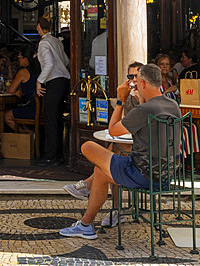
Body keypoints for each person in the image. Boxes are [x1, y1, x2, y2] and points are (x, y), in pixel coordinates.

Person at [59, 63, 181, 239]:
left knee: (88, 147)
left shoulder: (146, 109)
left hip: (143, 173)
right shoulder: (172, 105)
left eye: (137, 82)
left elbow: (113, 130)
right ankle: (86, 223)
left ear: (143, 84)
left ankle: (86, 204)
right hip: (166, 174)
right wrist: (141, 100)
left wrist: (121, 100)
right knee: (100, 172)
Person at [63, 61, 144, 203]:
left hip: (145, 157)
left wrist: (130, 100)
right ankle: (113, 210)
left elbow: (121, 128)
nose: (133, 80)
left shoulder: (149, 99)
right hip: (134, 146)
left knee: (110, 158)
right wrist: (122, 100)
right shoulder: (130, 98)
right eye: (130, 77)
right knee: (113, 156)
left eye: (136, 76)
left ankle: (89, 187)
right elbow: (120, 127)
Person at [35, 17, 70, 166]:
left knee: (50, 120)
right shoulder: (56, 41)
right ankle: (59, 155)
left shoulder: (43, 43)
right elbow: (66, 61)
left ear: (38, 27)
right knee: (58, 119)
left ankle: (51, 156)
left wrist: (39, 81)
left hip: (53, 83)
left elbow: (49, 64)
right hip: (63, 82)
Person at [4, 45, 39, 133]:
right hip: (41, 108)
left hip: (31, 108)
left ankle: (28, 135)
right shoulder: (39, 69)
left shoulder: (23, 72)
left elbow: (11, 90)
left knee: (7, 116)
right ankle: (31, 136)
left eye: (19, 57)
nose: (18, 59)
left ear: (25, 58)